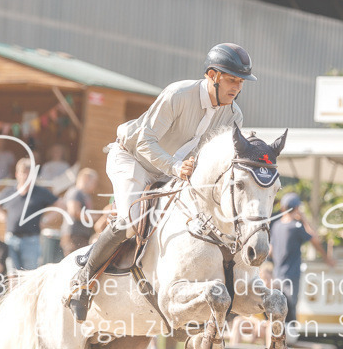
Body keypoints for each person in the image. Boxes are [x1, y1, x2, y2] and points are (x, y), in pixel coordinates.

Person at [67, 43, 256, 322]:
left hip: (172, 172)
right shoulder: (178, 94)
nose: (237, 88)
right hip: (133, 159)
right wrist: (176, 166)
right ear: (213, 76)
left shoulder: (233, 115)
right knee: (132, 221)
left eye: (241, 82)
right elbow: (145, 141)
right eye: (231, 80)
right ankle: (82, 282)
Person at [269, 192, 333, 334]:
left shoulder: (276, 225)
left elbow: (271, 251)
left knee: (278, 306)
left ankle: (276, 334)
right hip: (291, 273)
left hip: (277, 273)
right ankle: (289, 337)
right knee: (291, 306)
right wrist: (304, 219)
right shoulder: (296, 226)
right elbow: (314, 238)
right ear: (297, 208)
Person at [0, 158, 62, 273]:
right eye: (24, 172)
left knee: (29, 274)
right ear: (17, 174)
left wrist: (46, 219)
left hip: (31, 240)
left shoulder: (40, 192)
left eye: (30, 173)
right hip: (11, 238)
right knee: (12, 274)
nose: (27, 176)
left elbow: (61, 204)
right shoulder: (9, 192)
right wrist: (2, 217)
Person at [61, 168, 99, 255]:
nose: (95, 186)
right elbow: (74, 211)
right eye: (94, 182)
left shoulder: (86, 195)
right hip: (73, 235)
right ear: (86, 178)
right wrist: (93, 218)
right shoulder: (75, 192)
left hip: (81, 236)